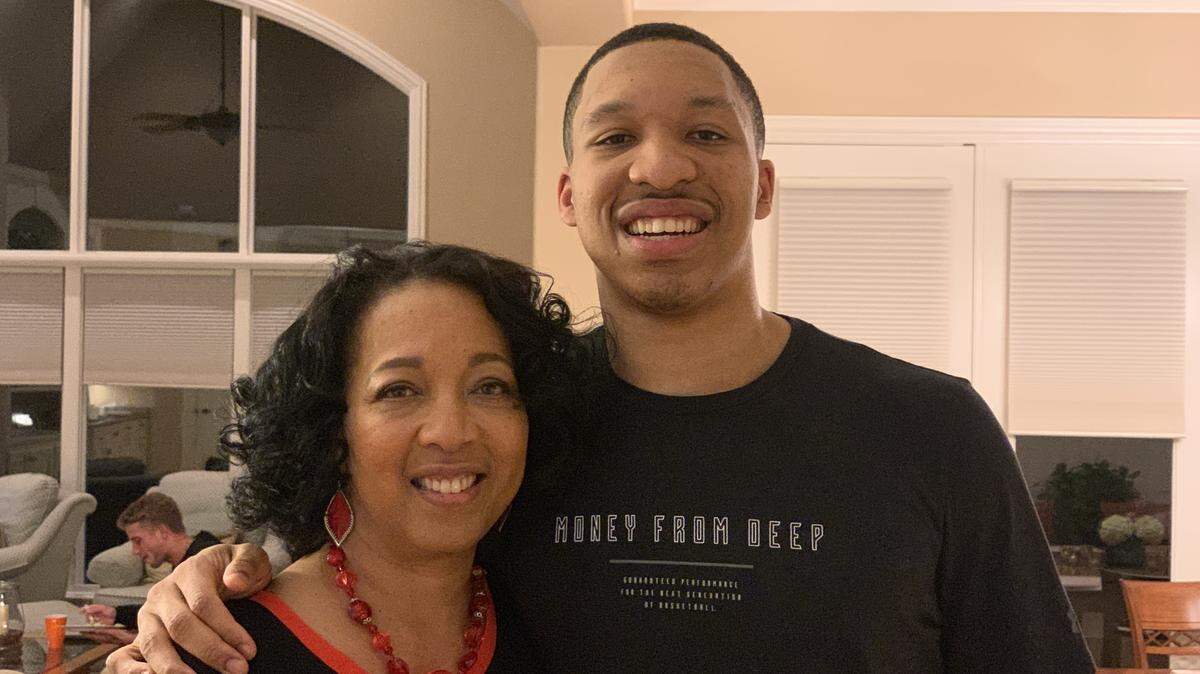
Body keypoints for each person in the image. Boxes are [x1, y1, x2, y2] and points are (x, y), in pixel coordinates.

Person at [109, 23, 1094, 673]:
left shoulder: (929, 426)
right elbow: (383, 551)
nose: (661, 165)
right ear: (571, 194)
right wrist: (214, 574)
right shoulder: (513, 427)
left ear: (761, 184)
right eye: (616, 136)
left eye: (706, 134)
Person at [138, 243, 579, 673]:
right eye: (399, 390)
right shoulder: (216, 650)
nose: (452, 432)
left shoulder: (548, 625)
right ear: (332, 432)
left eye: (490, 387)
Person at [80, 492, 220, 642]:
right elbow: (167, 611)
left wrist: (131, 639)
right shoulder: (187, 558)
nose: (135, 551)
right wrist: (115, 614)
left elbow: (192, 634)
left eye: (138, 541)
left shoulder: (201, 562)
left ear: (162, 533)